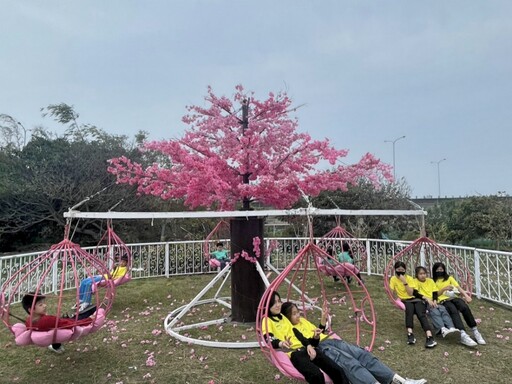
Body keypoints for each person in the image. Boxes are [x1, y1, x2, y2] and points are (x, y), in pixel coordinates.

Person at [281, 301, 428, 384]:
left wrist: (322, 321)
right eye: (294, 314)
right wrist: (314, 338)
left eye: (298, 312)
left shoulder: (304, 321)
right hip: (320, 349)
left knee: (363, 355)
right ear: (287, 318)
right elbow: (310, 344)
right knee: (350, 363)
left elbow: (318, 332)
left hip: (330, 341)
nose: (298, 315)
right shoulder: (290, 330)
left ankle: (400, 380)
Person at [261, 291, 349, 384]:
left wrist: (308, 345)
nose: (278, 305)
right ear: (268, 304)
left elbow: (297, 333)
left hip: (307, 348)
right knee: (316, 375)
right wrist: (281, 343)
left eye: (279, 301)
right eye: (274, 303)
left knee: (337, 370)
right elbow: (268, 338)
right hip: (295, 353)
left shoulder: (283, 317)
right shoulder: (267, 320)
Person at [432, 262, 486, 346]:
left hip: (453, 297)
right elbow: (435, 294)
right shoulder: (433, 281)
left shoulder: (449, 278)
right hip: (443, 301)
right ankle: (462, 334)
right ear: (434, 271)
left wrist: (466, 296)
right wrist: (444, 289)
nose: (440, 271)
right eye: (438, 270)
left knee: (464, 307)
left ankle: (475, 330)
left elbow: (458, 288)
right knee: (453, 310)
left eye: (441, 269)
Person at [22, 292, 95, 354]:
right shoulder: (47, 320)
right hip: (71, 322)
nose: (45, 305)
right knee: (92, 309)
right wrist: (89, 319)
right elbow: (72, 324)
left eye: (43, 303)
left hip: (58, 326)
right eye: (40, 305)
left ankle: (56, 346)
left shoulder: (28, 322)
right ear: (31, 310)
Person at [389, 261, 437, 348]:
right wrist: (392, 297)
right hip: (405, 300)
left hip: (415, 299)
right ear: (395, 270)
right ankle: (410, 334)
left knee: (420, 314)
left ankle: (429, 336)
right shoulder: (393, 279)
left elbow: (411, 293)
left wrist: (405, 282)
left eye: (402, 270)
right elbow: (391, 292)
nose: (400, 271)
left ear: (405, 270)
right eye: (398, 269)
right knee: (409, 312)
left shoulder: (410, 278)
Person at [413, 266, 459, 338]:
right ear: (417, 275)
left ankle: (451, 327)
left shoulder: (430, 281)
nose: (423, 275)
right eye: (420, 274)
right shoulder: (415, 281)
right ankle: (442, 329)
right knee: (434, 311)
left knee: (442, 309)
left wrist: (434, 300)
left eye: (424, 273)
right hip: (424, 301)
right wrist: (427, 299)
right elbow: (415, 293)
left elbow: (435, 292)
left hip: (433, 300)